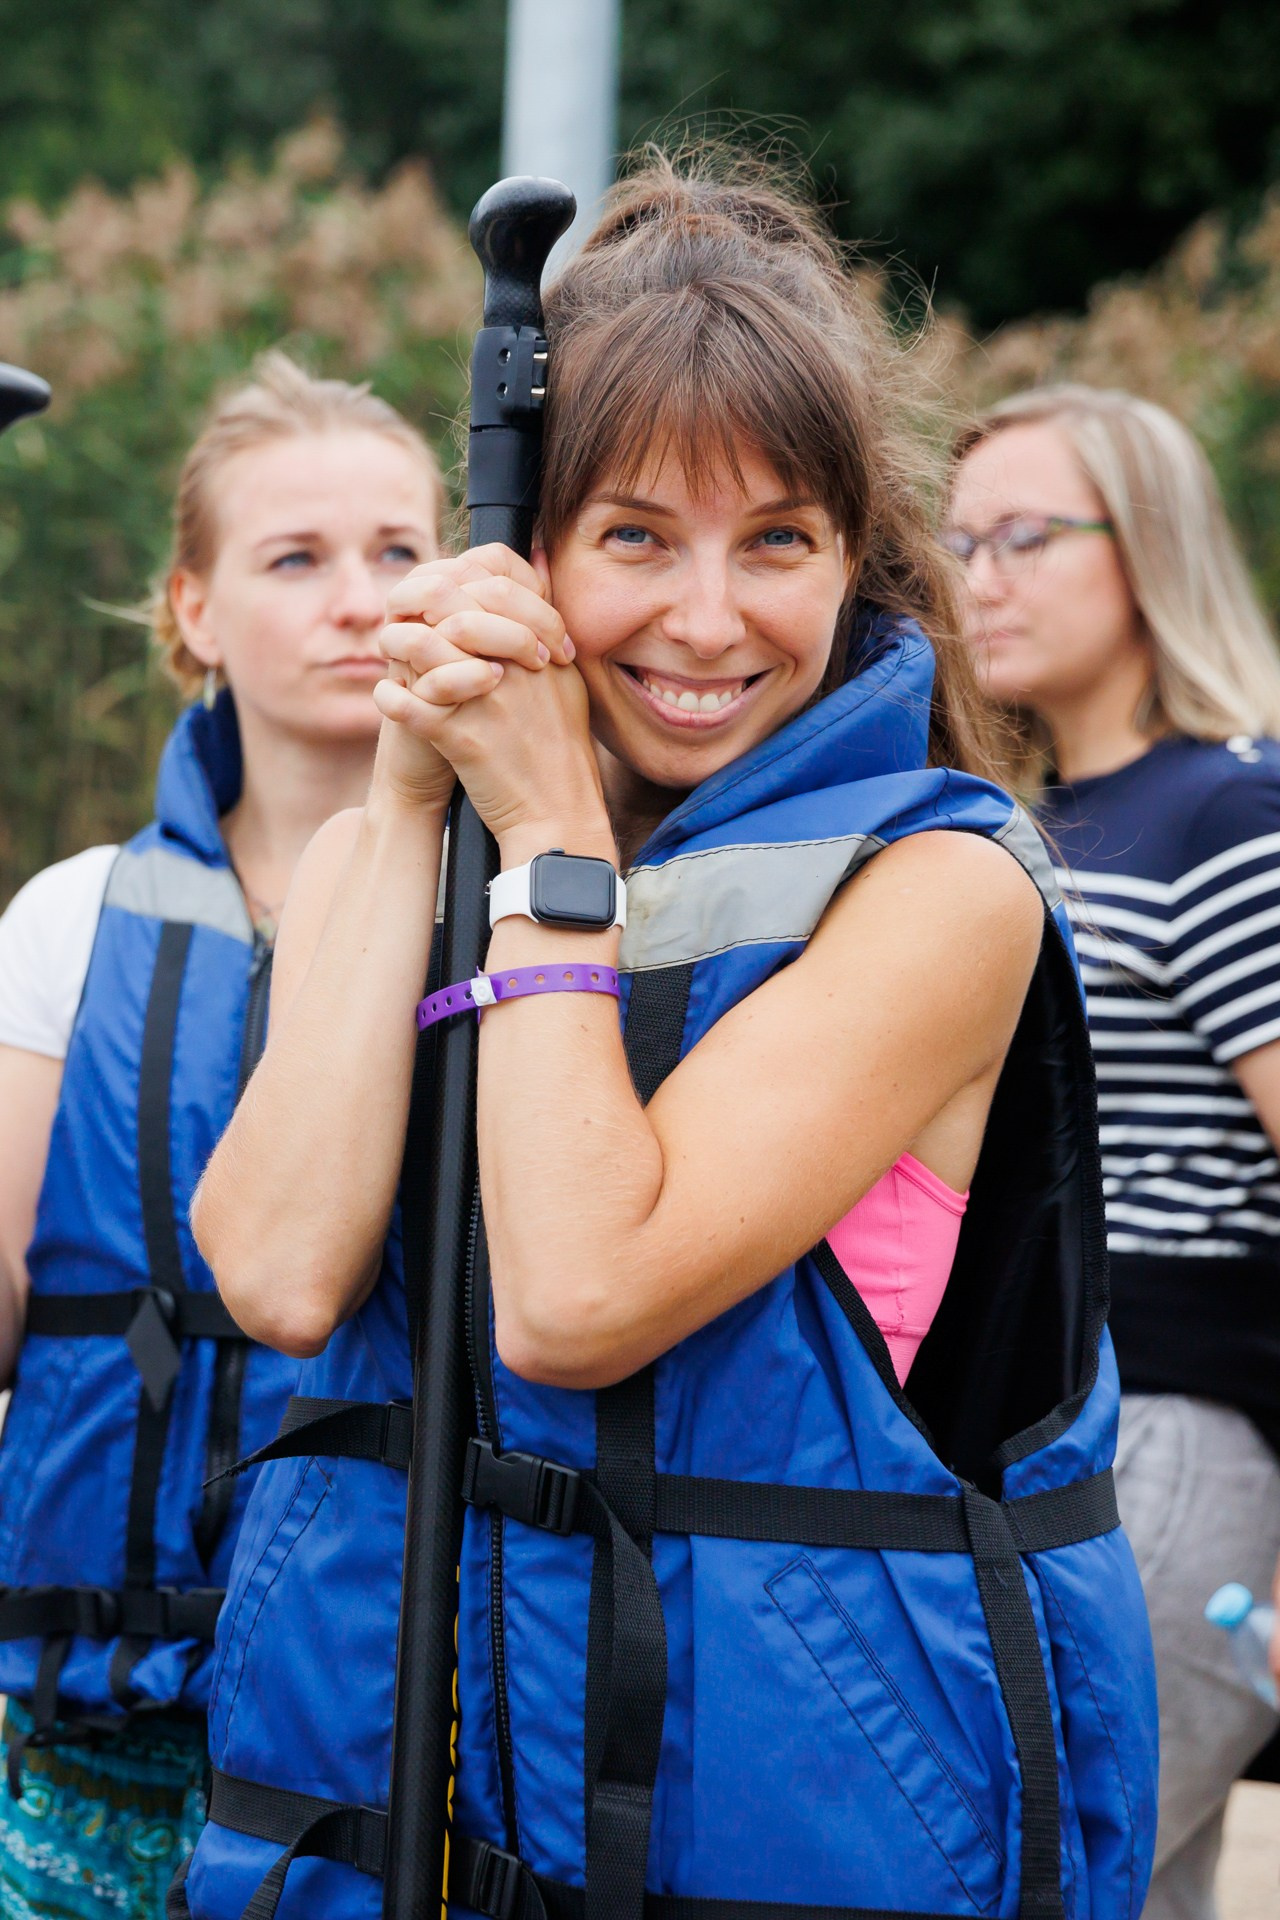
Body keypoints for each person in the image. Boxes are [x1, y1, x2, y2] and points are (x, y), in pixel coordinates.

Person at [178, 157, 1157, 1920]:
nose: (709, 621)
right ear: (526, 551)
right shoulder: (370, 857)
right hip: (417, 1835)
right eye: (636, 537)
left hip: (786, 1847)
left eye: (777, 540)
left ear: (860, 561)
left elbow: (574, 1299)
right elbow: (277, 1274)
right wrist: (413, 803)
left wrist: (549, 835)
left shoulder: (943, 891)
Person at [0, 350, 441, 1918]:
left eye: (400, 551)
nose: (360, 601)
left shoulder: (536, 911)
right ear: (192, 609)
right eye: (295, 559)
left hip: (410, 1729)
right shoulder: (71, 923)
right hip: (98, 1722)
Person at [948, 383, 1280, 1920]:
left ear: (1145, 549)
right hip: (1047, 1426)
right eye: (955, 543)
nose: (978, 579)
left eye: (1024, 537)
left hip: (1177, 1436)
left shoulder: (1229, 815)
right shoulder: (1015, 822)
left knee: (1056, 1880)